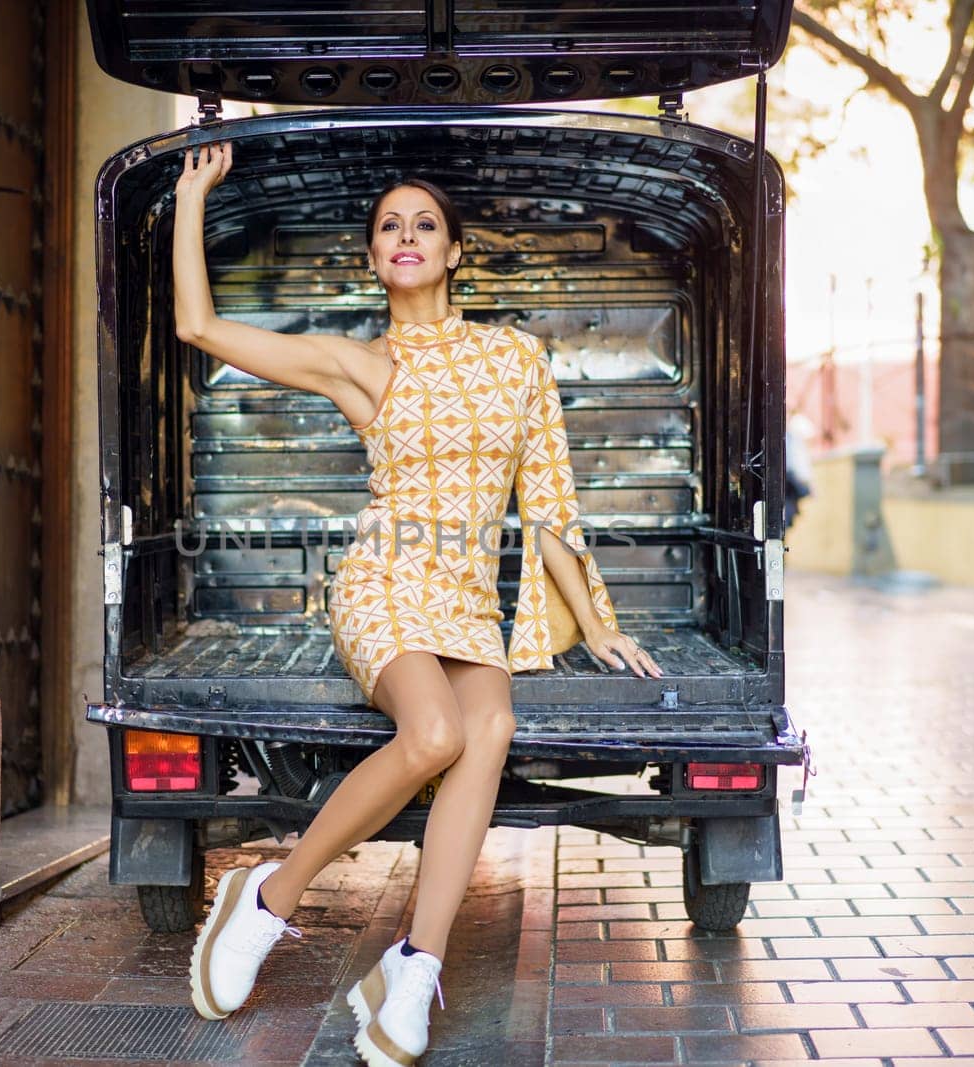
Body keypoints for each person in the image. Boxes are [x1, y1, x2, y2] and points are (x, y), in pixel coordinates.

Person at [172, 140, 661, 1067]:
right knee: (434, 734)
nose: (406, 235)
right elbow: (199, 327)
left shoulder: (515, 359)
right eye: (389, 226)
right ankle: (269, 900)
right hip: (385, 580)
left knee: (493, 729)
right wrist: (195, 196)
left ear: (453, 251)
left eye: (423, 224)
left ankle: (413, 963)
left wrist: (599, 624)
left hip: (468, 595)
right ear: (372, 257)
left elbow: (548, 502)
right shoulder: (359, 365)